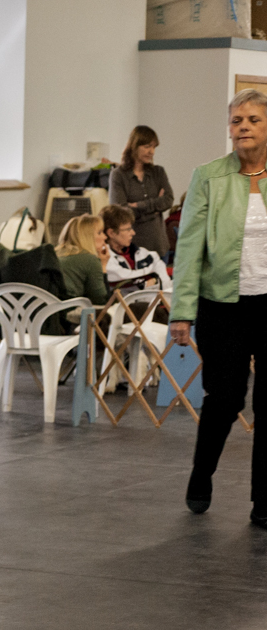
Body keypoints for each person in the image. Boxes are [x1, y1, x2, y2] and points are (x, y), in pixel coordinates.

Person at [170, 88, 267, 524]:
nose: (242, 127)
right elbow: (189, 248)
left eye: (252, 120)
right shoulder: (208, 176)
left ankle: (264, 501)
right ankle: (201, 474)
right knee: (224, 400)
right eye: (236, 120)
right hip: (221, 307)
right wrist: (181, 311)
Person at [108, 126, 174, 256]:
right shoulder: (118, 175)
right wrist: (154, 209)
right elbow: (120, 212)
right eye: (147, 146)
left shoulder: (158, 172)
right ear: (135, 145)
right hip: (132, 247)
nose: (152, 152)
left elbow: (168, 200)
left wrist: (137, 205)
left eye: (154, 147)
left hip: (158, 246)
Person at [101, 204, 171, 293]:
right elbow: (123, 278)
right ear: (111, 233)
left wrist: (151, 280)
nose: (133, 233)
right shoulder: (104, 258)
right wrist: (154, 275)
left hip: (154, 303)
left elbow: (166, 284)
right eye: (128, 229)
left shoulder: (147, 254)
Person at [54, 214, 110, 307]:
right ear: (87, 236)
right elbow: (101, 300)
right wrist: (103, 265)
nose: (105, 237)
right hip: (70, 313)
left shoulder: (54, 253)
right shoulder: (89, 259)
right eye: (100, 232)